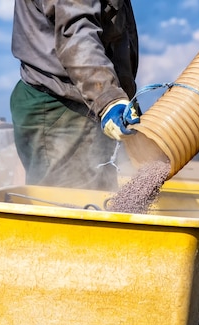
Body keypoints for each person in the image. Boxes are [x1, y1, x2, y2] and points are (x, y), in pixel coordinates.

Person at [10, 0, 140, 191]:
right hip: (64, 109)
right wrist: (108, 98)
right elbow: (77, 33)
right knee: (70, 207)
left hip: (84, 103)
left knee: (96, 201)